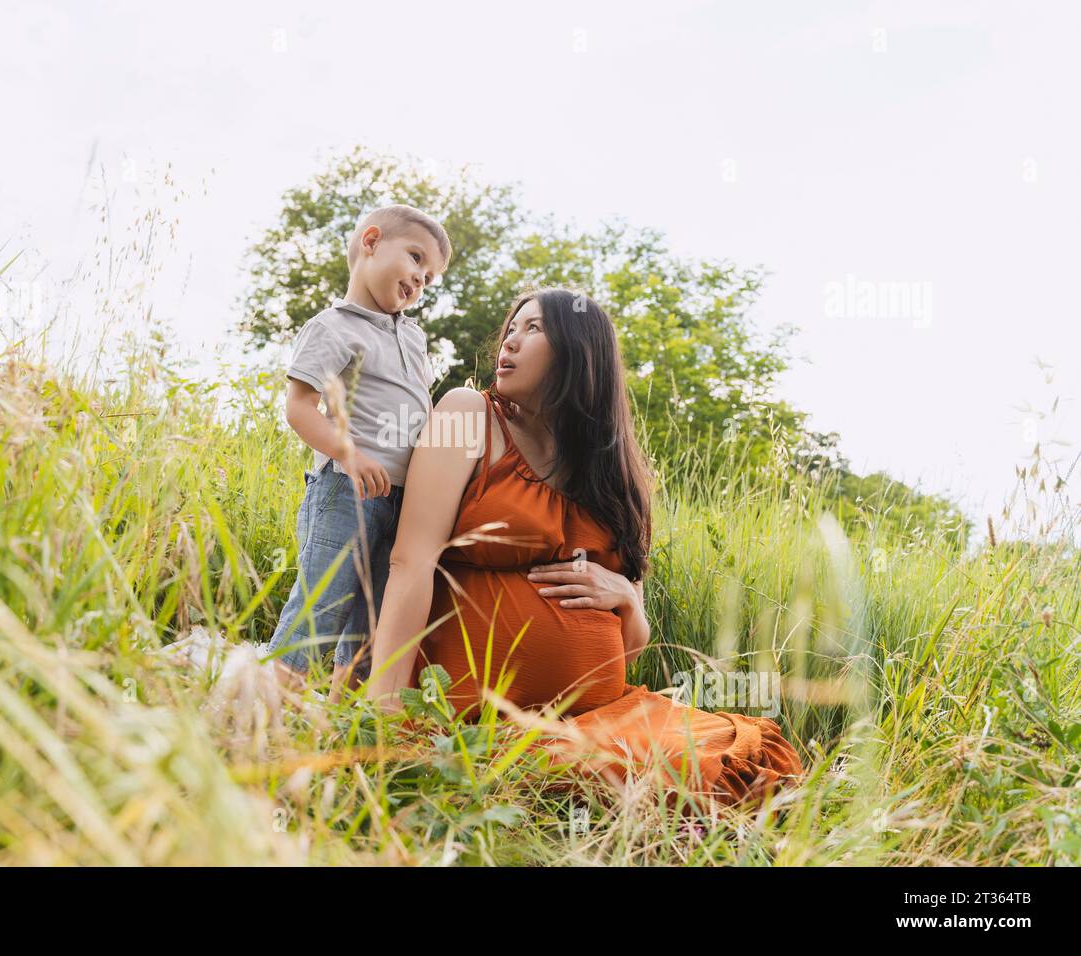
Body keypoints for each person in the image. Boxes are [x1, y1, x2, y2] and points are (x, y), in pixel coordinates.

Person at [363, 288, 804, 810]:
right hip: (486, 722)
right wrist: (384, 712)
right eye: (511, 329)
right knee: (690, 778)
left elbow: (630, 645)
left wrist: (626, 597)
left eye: (533, 330)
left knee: (757, 761)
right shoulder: (468, 415)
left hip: (602, 712)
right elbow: (411, 562)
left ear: (580, 352)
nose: (510, 342)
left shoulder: (614, 477)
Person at [263, 204, 452, 702]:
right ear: (371, 241)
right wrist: (349, 454)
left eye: (429, 278)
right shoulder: (334, 326)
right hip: (348, 491)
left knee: (372, 621)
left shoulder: (412, 335)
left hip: (405, 502)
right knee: (321, 604)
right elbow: (300, 408)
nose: (420, 280)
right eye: (415, 258)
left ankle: (346, 718)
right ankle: (266, 708)